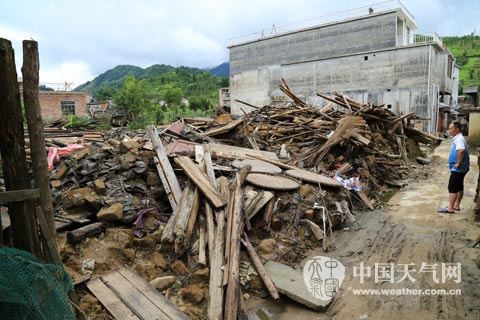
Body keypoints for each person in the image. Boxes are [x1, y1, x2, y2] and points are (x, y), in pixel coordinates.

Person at [438, 121, 470, 214]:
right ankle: (456, 205)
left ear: (457, 129)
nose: (449, 130)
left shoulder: (459, 139)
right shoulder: (458, 138)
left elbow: (461, 151)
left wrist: (458, 163)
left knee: (452, 187)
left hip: (458, 168)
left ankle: (450, 208)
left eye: (451, 129)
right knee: (459, 186)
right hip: (461, 168)